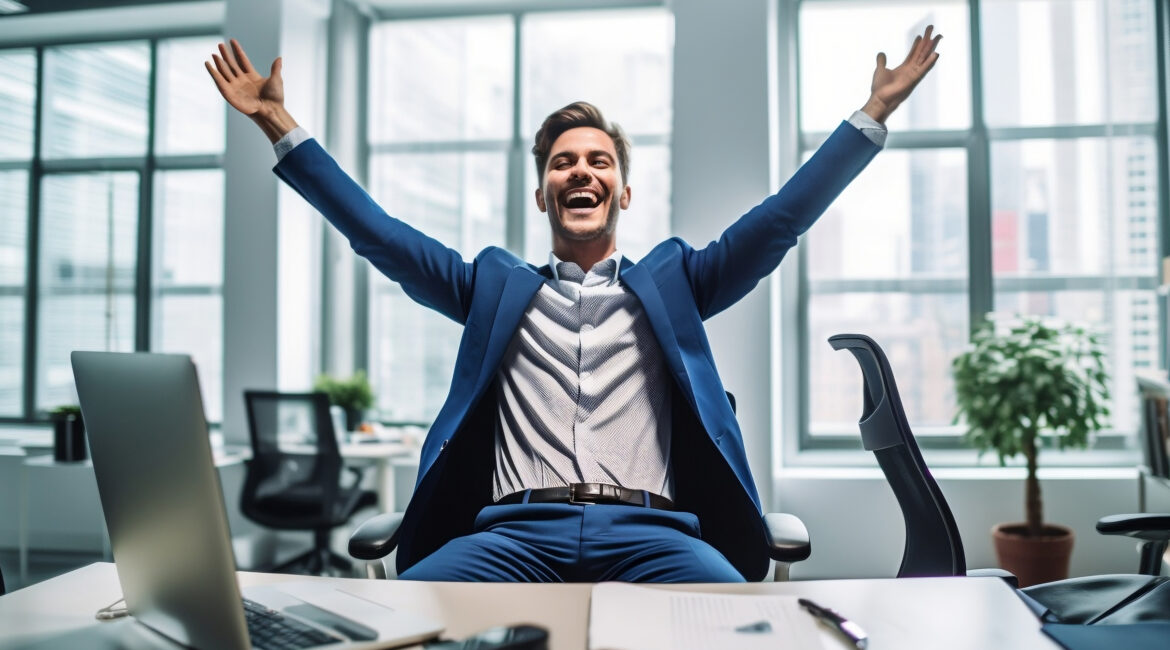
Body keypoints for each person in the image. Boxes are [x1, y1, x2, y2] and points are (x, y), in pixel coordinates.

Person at [207, 25, 941, 582]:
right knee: (395, 628)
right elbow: (382, 237)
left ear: (623, 192)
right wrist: (280, 126)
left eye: (598, 161)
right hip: (508, 538)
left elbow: (780, 220)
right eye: (563, 162)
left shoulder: (676, 281)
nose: (579, 170)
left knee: (742, 634)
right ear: (542, 193)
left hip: (656, 537)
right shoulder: (491, 288)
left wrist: (872, 113)